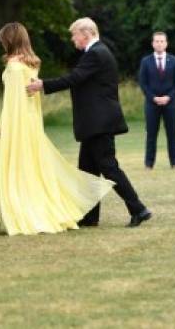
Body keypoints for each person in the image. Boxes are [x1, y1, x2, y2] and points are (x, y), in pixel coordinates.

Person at [0, 22, 114, 235]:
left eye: (2, 40)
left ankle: (16, 212)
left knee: (0, 167)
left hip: (16, 122)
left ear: (9, 41)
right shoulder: (31, 64)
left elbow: (12, 102)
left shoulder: (13, 66)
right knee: (32, 168)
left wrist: (5, 126)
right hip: (30, 123)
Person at [28, 17, 152, 227]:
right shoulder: (97, 52)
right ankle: (90, 217)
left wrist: (43, 85)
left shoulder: (95, 54)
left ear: (86, 34)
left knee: (109, 168)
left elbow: (74, 78)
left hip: (99, 123)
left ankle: (138, 209)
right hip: (94, 124)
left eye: (74, 35)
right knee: (87, 171)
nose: (72, 39)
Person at [138, 31, 175, 169]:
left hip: (170, 103)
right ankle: (149, 164)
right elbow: (143, 82)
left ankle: (174, 163)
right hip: (152, 104)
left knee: (172, 133)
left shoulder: (174, 61)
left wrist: (168, 97)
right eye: (156, 41)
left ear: (166, 44)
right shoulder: (146, 61)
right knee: (151, 134)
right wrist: (153, 97)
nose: (159, 44)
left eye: (162, 41)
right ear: (152, 44)